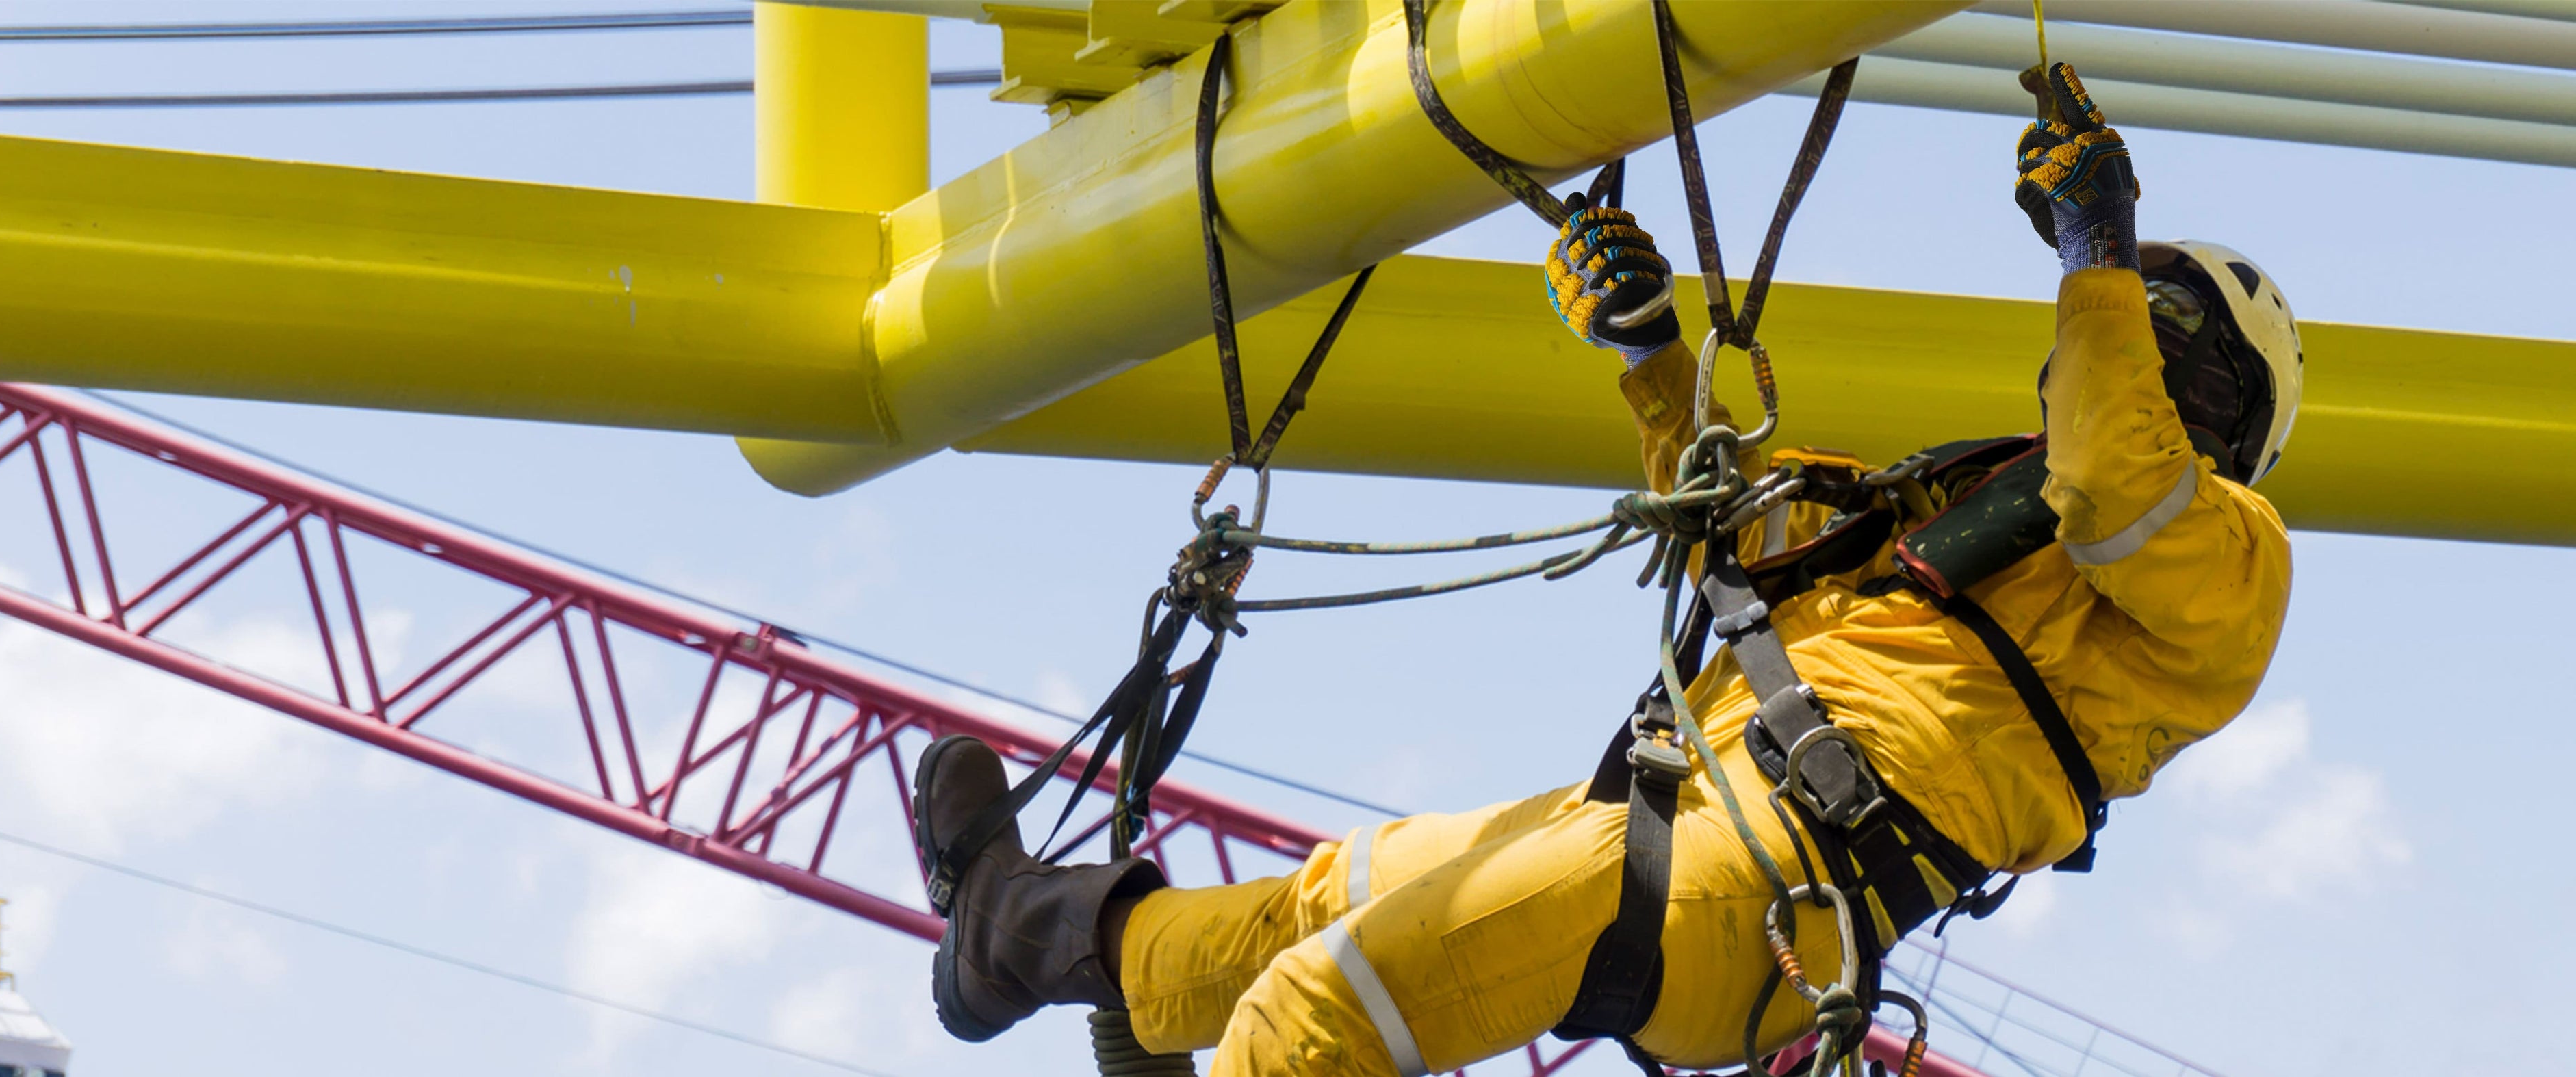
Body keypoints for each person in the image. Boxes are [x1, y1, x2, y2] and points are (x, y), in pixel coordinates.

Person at [910, 64, 2298, 1076]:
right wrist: (1650, 355)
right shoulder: (1944, 520)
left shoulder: (2225, 563)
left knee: (1315, 1013)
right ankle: (1017, 931)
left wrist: (2100, 247)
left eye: (2167, 333)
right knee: (1326, 899)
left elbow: (2119, 477)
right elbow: (1748, 536)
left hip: (1749, 897)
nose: (2118, 337)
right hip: (1675, 825)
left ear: (2223, 415)